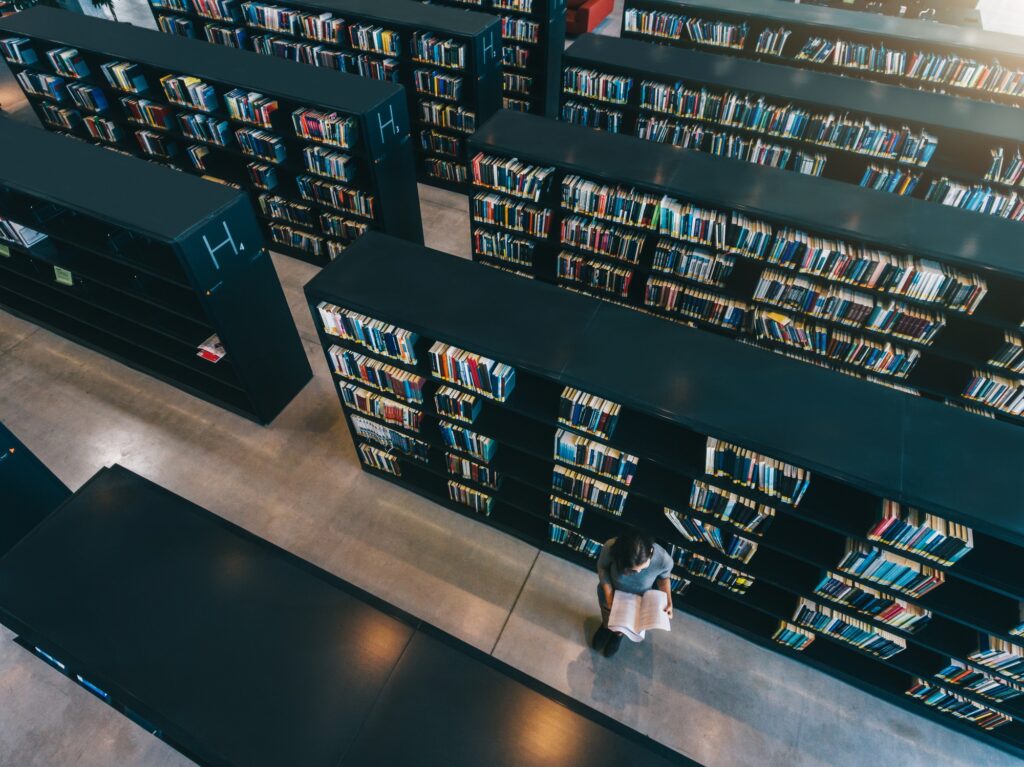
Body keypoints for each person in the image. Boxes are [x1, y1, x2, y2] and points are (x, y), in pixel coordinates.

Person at [592, 530, 673, 657]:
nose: (639, 572)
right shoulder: (610, 547)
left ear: (651, 552)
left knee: (626, 626)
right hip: (611, 592)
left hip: (638, 601)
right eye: (633, 570)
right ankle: (605, 627)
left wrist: (668, 600)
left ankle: (618, 637)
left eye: (643, 567)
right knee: (607, 616)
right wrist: (608, 595)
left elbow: (664, 578)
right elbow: (602, 567)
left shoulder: (663, 559)